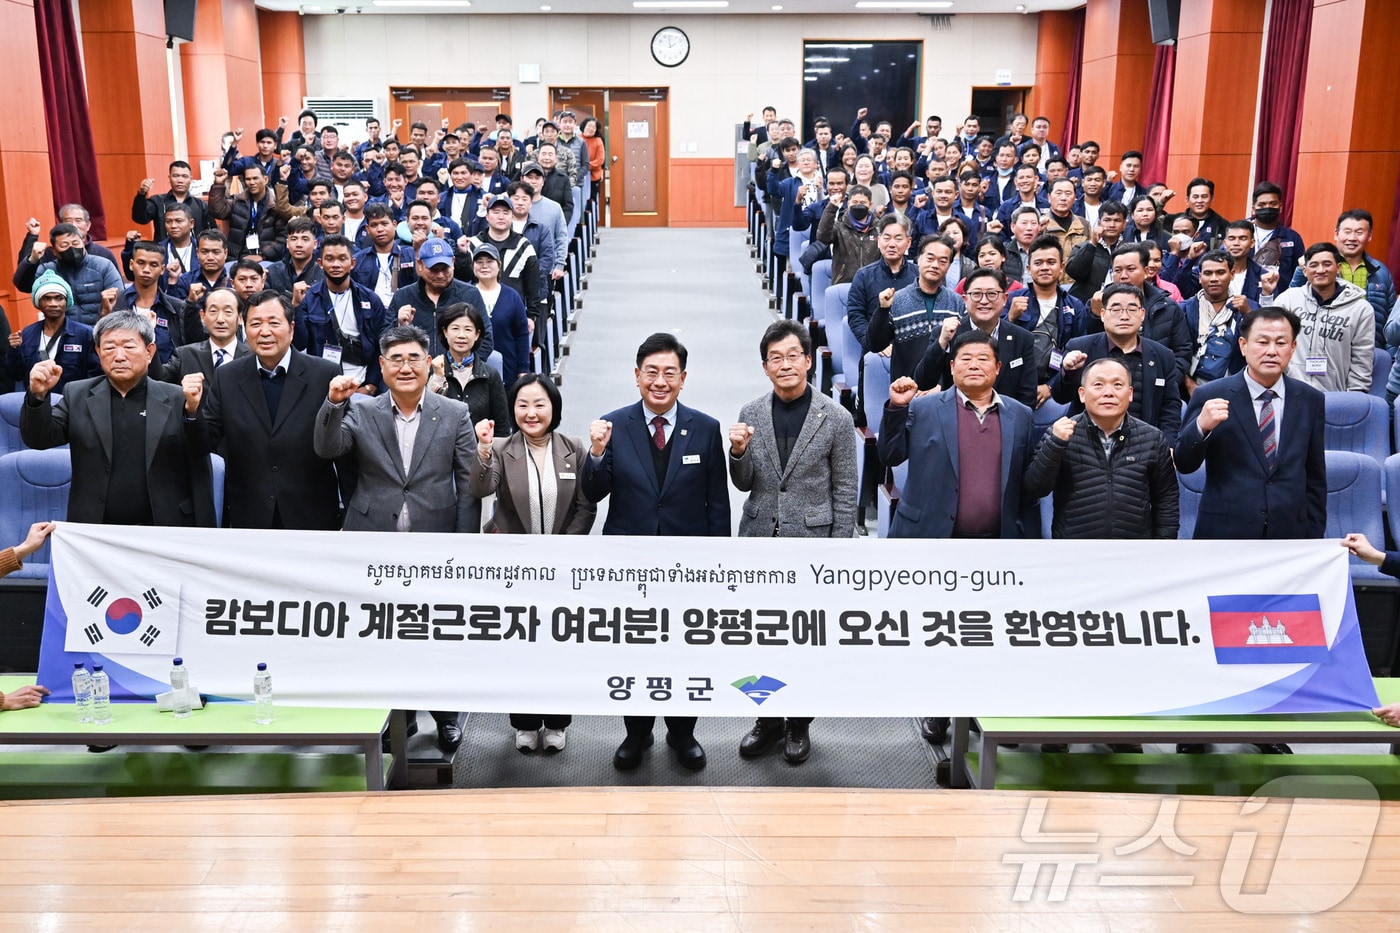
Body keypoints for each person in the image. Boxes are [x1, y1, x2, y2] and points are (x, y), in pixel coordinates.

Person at [313, 324, 479, 754]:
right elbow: (328, 448)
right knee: (381, 636)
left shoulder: (454, 413)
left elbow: (468, 484)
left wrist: (464, 545)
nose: (405, 367)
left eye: (413, 358)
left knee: (436, 633)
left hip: (435, 542)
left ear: (429, 363)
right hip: (372, 542)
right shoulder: (362, 409)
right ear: (382, 366)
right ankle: (394, 719)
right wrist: (333, 403)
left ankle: (445, 716)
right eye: (396, 360)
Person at [879, 329, 1041, 746]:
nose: (974, 365)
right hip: (937, 543)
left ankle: (990, 713)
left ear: (998, 368)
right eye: (965, 359)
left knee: (991, 635)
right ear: (951, 368)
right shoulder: (924, 407)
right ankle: (939, 708)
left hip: (995, 546)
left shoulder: (1021, 415)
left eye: (983, 359)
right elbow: (890, 454)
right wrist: (895, 408)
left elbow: (1027, 485)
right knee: (942, 633)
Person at [582, 333, 729, 772]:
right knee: (635, 647)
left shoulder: (705, 428)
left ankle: (682, 732)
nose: (660, 381)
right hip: (630, 565)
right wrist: (596, 453)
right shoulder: (613, 425)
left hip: (689, 566)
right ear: (637, 376)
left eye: (669, 373)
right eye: (651, 372)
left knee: (686, 647)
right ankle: (637, 732)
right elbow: (593, 492)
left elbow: (717, 504)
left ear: (683, 378)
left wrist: (719, 566)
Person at [728, 320, 857, 765]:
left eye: (792, 356)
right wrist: (738, 453)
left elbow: (846, 490)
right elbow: (744, 482)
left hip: (813, 545)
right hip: (760, 540)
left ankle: (799, 723)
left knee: (805, 640)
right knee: (761, 636)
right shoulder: (750, 412)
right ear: (765, 367)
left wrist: (838, 552)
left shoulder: (836, 417)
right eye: (775, 358)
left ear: (808, 360)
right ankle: (766, 720)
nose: (785, 365)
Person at [470, 374, 596, 753]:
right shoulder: (502, 447)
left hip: (562, 566)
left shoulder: (574, 447)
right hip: (515, 569)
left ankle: (557, 722)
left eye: (540, 404)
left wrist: (563, 551)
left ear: (554, 407)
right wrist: (483, 450)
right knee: (520, 645)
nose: (531, 412)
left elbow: (586, 505)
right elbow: (480, 487)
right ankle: (524, 722)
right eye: (522, 405)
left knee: (559, 643)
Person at [21, 309, 215, 526]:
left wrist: (192, 412)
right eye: (109, 348)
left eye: (129, 347)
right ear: (98, 351)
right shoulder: (77, 394)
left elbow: (200, 452)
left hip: (165, 525)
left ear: (149, 352)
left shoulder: (177, 397)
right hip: (96, 525)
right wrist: (38, 396)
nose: (119, 356)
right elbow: (39, 439)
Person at [1174, 307, 1326, 538]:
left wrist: (1314, 535)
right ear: (1243, 346)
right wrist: (1200, 427)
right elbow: (1184, 463)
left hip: (1290, 532)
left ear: (1293, 347)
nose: (1272, 351)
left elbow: (1315, 476)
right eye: (1262, 342)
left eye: (1281, 343)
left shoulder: (1310, 399)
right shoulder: (1210, 394)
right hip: (1225, 531)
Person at [203, 290, 347, 530]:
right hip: (249, 514)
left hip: (312, 514)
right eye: (255, 324)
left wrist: (350, 514)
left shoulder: (325, 374)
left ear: (291, 329)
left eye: (274, 323)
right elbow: (206, 441)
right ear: (244, 330)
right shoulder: (226, 377)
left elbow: (341, 451)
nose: (265, 332)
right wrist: (191, 412)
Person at [1025, 357, 1179, 539]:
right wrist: (1055, 444)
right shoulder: (1060, 433)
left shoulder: (1153, 438)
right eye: (1098, 385)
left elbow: (1166, 501)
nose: (1108, 393)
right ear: (1082, 394)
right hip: (1074, 549)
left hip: (1135, 550)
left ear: (1130, 393)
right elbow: (1034, 489)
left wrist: (1163, 545)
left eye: (1117, 385)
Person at [1054, 283, 1181, 436]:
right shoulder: (1080, 347)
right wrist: (1068, 373)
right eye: (1115, 310)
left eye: (1132, 310)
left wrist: (1168, 444)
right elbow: (1061, 397)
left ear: (1142, 314)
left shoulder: (1163, 355)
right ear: (1102, 314)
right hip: (1087, 439)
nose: (1124, 316)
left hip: (1144, 441)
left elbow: (1170, 407)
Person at [914, 267, 1038, 407]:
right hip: (957, 416)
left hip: (1006, 416)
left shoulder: (1022, 338)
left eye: (992, 294)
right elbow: (923, 383)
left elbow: (1028, 396)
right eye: (976, 294)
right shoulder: (947, 333)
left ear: (1004, 299)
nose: (984, 301)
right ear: (965, 299)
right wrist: (942, 342)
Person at [1263, 242, 1374, 393]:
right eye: (1314, 265)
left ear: (1338, 268)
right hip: (1289, 393)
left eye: (1327, 264)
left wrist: (1353, 398)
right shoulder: (1289, 299)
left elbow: (1362, 358)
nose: (1320, 270)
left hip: (1335, 397)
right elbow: (1266, 331)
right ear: (1305, 270)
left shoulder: (1360, 309)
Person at [866, 235, 965, 381]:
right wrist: (882, 310)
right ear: (918, 259)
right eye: (930, 258)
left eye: (943, 261)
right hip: (905, 388)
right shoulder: (897, 300)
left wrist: (942, 386)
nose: (935, 265)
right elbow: (875, 345)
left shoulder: (957, 303)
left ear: (949, 266)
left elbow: (961, 352)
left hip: (945, 390)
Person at [4, 271, 98, 393]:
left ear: (67, 301)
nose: (53, 304)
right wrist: (14, 350)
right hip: (37, 400)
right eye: (47, 298)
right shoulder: (27, 333)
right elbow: (16, 374)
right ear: (38, 303)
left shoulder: (85, 334)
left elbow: (96, 375)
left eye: (59, 298)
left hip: (73, 401)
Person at [12, 222, 121, 326]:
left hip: (99, 328)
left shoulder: (103, 265)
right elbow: (23, 285)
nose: (71, 248)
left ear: (83, 243)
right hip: (64, 332)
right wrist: (32, 259)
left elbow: (120, 298)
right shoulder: (47, 270)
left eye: (75, 243)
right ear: (54, 251)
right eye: (64, 245)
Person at [157, 286, 249, 387]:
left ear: (240, 318)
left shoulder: (253, 357)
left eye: (228, 312)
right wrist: (148, 337)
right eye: (213, 311)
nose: (220, 319)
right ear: (203, 316)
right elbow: (158, 379)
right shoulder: (185, 355)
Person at [466, 242, 530, 383]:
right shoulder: (466, 295)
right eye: (479, 262)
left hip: (508, 369)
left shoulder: (512, 296)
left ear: (499, 265)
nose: (484, 266)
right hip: (472, 369)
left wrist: (523, 369)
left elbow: (522, 334)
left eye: (490, 261)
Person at [132, 161, 211, 240]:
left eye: (184, 176)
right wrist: (141, 194)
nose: (180, 180)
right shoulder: (158, 201)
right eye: (176, 176)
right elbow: (140, 218)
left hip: (194, 247)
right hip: (163, 247)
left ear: (191, 179)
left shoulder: (201, 205)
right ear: (169, 178)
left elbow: (211, 231)